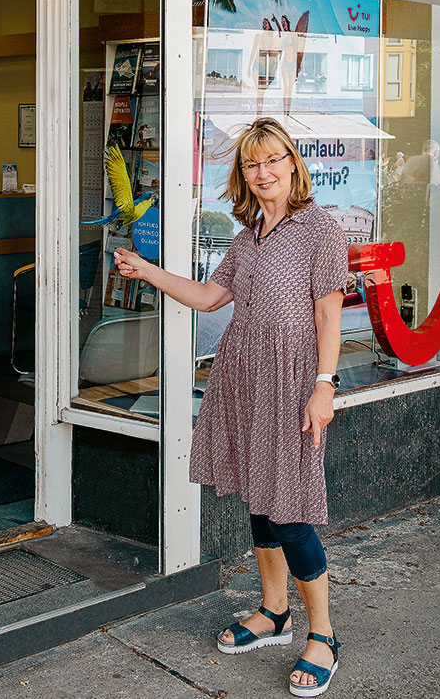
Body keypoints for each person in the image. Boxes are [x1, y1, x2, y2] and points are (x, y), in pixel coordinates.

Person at [114, 117, 347, 697]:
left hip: (294, 380)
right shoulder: (247, 238)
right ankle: (274, 612)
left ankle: (323, 635)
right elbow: (210, 296)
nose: (263, 172)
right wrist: (148, 271)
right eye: (251, 163)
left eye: (273, 160)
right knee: (261, 502)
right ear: (243, 174)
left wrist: (325, 384)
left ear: (293, 163)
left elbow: (327, 314)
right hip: (244, 378)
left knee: (290, 509)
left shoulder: (319, 227)